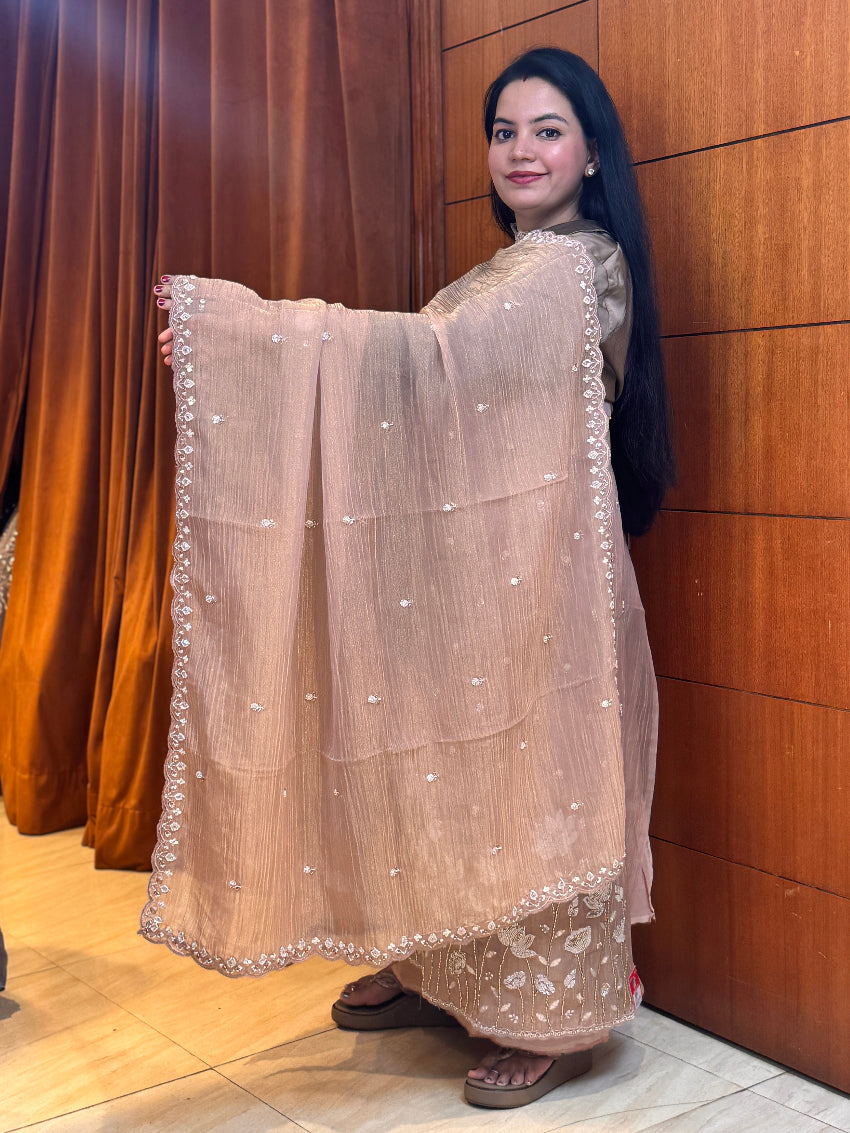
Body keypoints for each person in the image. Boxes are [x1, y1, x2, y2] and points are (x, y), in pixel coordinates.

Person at [150, 47, 673, 1110]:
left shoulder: (575, 267)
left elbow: (430, 356)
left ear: (591, 152)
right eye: (503, 131)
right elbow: (432, 373)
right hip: (480, 573)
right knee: (450, 755)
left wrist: (248, 336)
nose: (520, 150)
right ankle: (443, 965)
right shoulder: (510, 266)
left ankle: (551, 1012)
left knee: (535, 763)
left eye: (547, 129)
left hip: (545, 581)